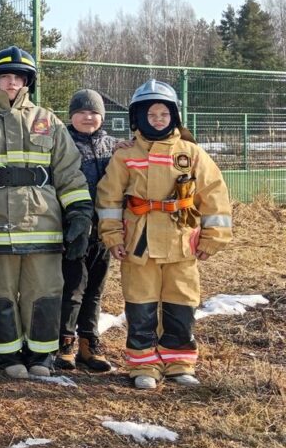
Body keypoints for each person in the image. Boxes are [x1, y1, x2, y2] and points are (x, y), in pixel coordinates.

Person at [0, 46, 92, 379]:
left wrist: (80, 214)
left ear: (28, 82)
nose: (12, 83)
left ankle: (42, 356)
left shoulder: (49, 122)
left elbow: (69, 173)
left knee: (44, 293)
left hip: (43, 225)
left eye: (19, 77)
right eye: (6, 76)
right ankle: (4, 356)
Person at [96, 80, 232, 390]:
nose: (158, 120)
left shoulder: (191, 153)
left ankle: (179, 364)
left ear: (174, 116)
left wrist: (213, 237)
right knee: (140, 305)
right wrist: (113, 236)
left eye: (164, 114)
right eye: (151, 114)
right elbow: (108, 198)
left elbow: (214, 195)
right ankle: (143, 365)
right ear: (138, 117)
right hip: (138, 245)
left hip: (181, 242)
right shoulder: (126, 155)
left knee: (181, 303)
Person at [55, 89, 116, 372]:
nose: (87, 117)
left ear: (102, 116)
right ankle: (64, 342)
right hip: (73, 229)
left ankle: (89, 343)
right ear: (71, 116)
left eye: (93, 112)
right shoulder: (62, 144)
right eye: (81, 112)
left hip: (103, 229)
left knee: (95, 289)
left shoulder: (114, 146)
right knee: (73, 288)